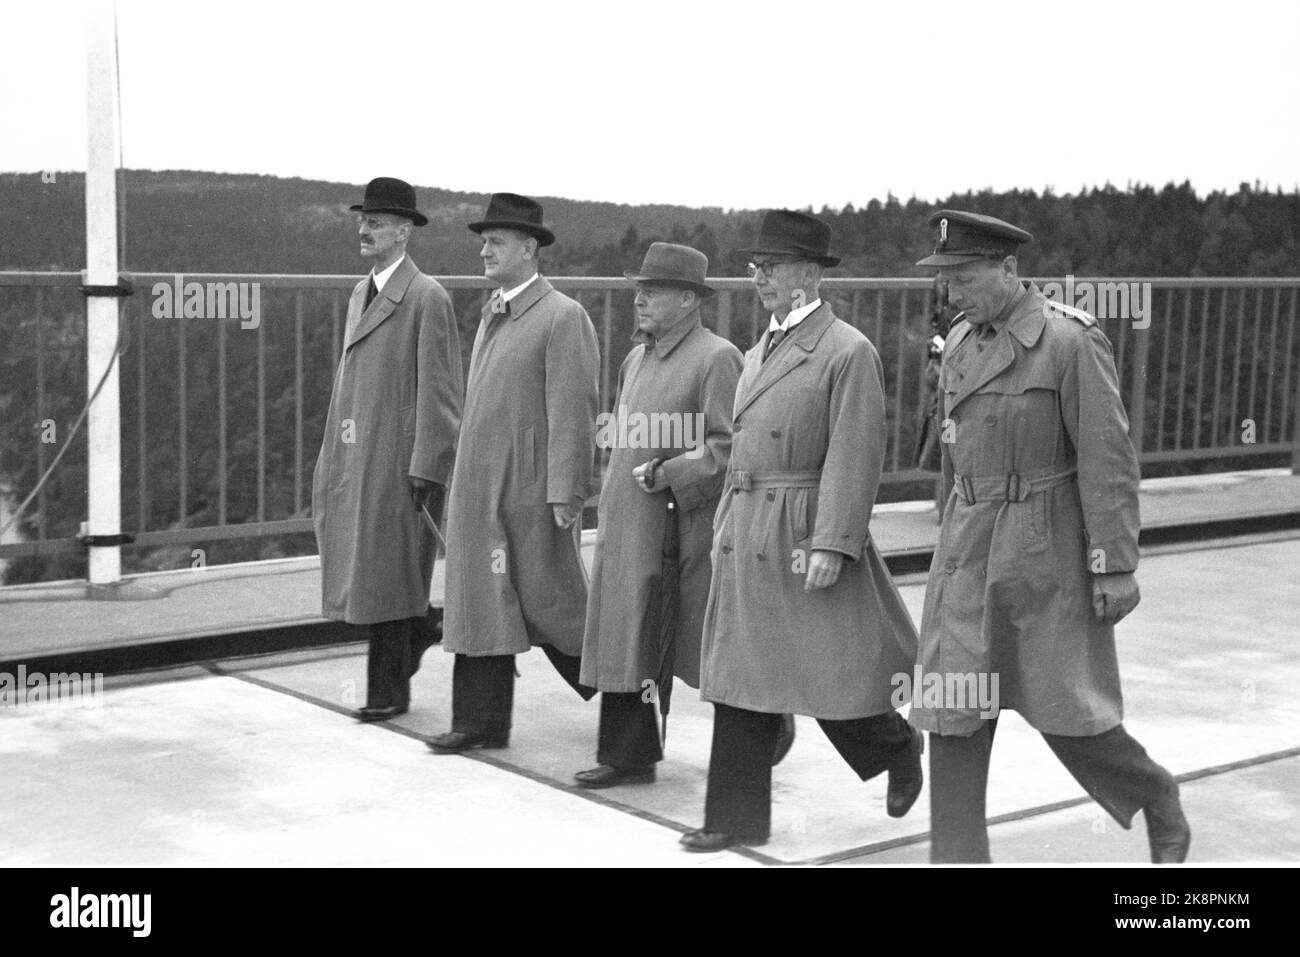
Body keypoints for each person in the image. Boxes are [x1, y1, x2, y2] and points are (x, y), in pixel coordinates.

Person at [912, 208, 1191, 864]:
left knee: (1064, 705)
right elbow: (954, 453)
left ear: (1010, 270)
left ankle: (1153, 792)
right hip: (965, 545)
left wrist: (1113, 563)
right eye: (945, 280)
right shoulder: (956, 342)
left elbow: (1107, 457)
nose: (952, 292)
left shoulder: (1069, 341)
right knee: (954, 708)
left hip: (1041, 543)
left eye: (965, 276)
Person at [682, 210, 922, 852]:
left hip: (801, 529)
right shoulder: (761, 348)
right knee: (743, 667)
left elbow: (855, 452)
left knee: (825, 663)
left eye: (773, 265)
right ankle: (732, 819)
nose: (758, 275)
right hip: (748, 524)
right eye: (756, 265)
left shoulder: (847, 350)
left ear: (810, 274)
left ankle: (896, 746)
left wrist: (833, 541)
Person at [428, 193, 600, 753]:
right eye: (484, 241)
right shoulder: (495, 311)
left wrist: (566, 491)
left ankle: (638, 691)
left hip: (528, 492)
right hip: (483, 490)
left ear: (529, 249)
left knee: (556, 608)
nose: (485, 250)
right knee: (483, 602)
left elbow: (574, 411)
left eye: (496, 241)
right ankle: (479, 723)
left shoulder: (561, 316)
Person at [574, 242, 743, 789]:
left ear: (690, 299)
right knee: (628, 632)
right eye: (638, 289)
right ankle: (629, 756)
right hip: (627, 520)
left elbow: (725, 447)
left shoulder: (718, 357)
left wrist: (671, 472)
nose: (639, 299)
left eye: (653, 290)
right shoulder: (635, 357)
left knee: (687, 637)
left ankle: (766, 722)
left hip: (676, 525)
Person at [313, 176, 463, 722]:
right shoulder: (362, 292)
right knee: (376, 569)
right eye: (362, 220)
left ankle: (388, 693)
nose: (364, 228)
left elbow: (442, 392)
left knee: (389, 572)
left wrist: (428, 464)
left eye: (375, 222)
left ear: (404, 232)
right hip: (361, 454)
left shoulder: (427, 297)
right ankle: (419, 632)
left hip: (398, 460)